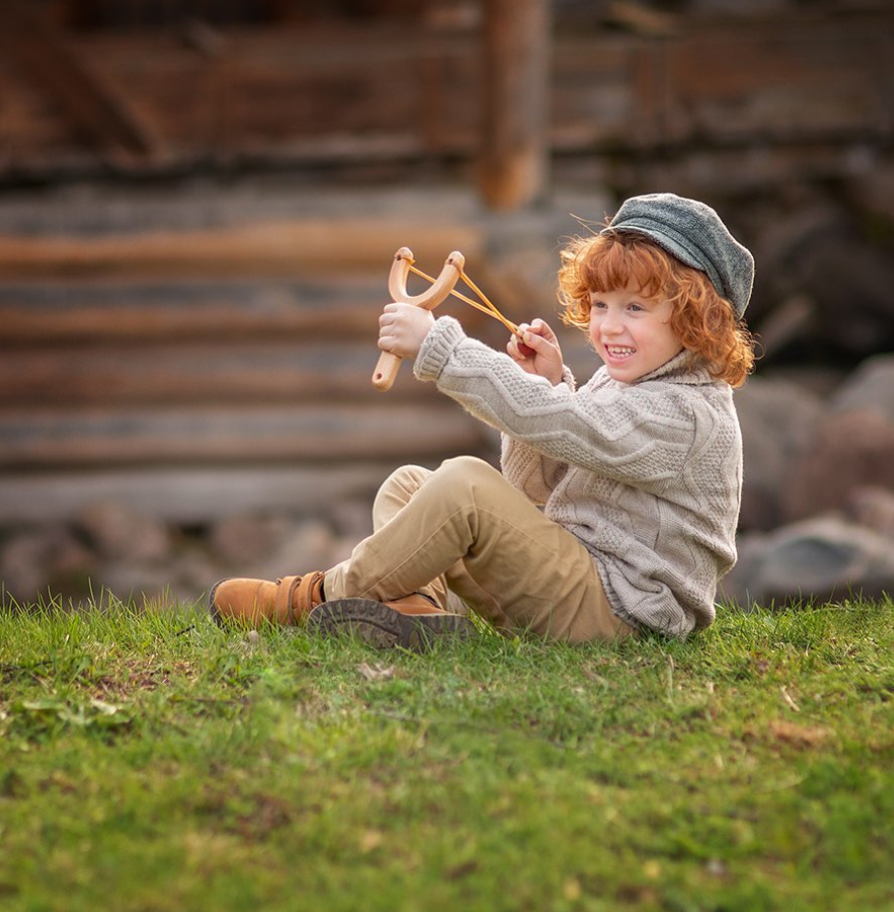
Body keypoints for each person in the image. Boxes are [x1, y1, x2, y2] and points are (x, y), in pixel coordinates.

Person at [210, 192, 756, 649]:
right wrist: (545, 387)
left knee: (464, 485)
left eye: (635, 309)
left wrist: (444, 350)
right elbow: (532, 491)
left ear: (694, 321)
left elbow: (566, 427)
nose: (610, 326)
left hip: (623, 614)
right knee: (411, 486)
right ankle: (416, 613)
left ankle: (314, 598)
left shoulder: (687, 413)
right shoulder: (629, 385)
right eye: (602, 305)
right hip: (575, 582)